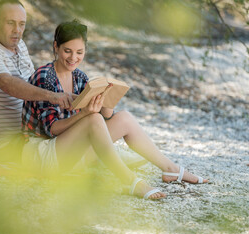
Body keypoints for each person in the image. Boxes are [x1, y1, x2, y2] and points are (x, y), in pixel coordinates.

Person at [22, 20, 208, 199]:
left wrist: (108, 99)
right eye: (67, 51)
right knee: (92, 119)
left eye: (79, 52)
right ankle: (129, 181)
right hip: (42, 154)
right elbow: (52, 129)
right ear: (56, 47)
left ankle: (171, 169)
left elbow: (106, 117)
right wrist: (88, 113)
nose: (73, 58)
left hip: (69, 152)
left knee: (124, 118)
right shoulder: (44, 76)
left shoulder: (79, 76)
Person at [0, 0, 74, 163]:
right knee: (84, 131)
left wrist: (67, 96)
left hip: (28, 133)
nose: (17, 30)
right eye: (10, 23)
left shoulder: (18, 45)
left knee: (96, 122)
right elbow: (7, 83)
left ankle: (122, 163)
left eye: (21, 24)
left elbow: (33, 82)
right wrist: (52, 96)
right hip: (3, 146)